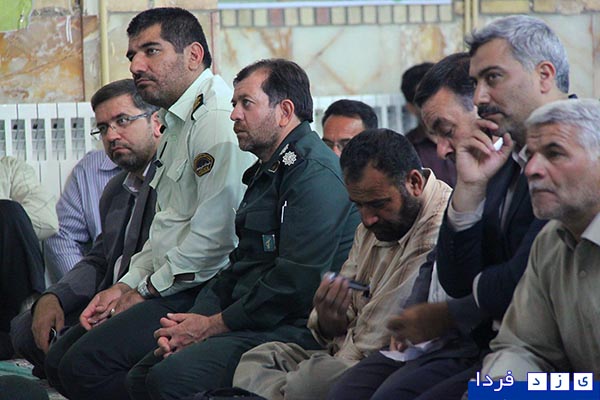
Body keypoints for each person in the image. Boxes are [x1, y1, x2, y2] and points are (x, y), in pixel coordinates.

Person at [124, 58, 360, 400]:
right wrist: (191, 322)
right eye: (234, 104)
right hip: (253, 316)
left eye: (246, 103)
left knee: (169, 379)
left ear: (284, 111)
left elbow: (294, 283)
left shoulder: (313, 173)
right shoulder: (269, 169)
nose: (234, 114)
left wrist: (212, 325)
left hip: (294, 327)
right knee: (140, 375)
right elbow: (239, 265)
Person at [48, 7, 251, 399]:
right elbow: (164, 230)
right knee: (58, 360)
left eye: (151, 51)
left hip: (204, 287)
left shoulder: (215, 120)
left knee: (83, 367)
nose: (136, 65)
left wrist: (142, 291)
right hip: (171, 280)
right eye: (132, 55)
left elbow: (215, 240)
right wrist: (123, 285)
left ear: (193, 55)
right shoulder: (175, 122)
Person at [233, 128, 452, 400]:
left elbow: (376, 341)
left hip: (385, 365)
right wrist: (329, 320)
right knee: (259, 358)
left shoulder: (438, 228)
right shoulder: (374, 219)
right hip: (341, 353)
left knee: (308, 382)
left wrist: (323, 365)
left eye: (377, 204)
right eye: (358, 205)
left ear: (414, 182)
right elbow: (336, 316)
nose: (367, 219)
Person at [328, 52, 483, 400]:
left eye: (446, 132)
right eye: (433, 135)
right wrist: (417, 312)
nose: (440, 151)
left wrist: (445, 316)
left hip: (508, 353)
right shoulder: (475, 180)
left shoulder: (517, 184)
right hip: (448, 344)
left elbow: (512, 289)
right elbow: (439, 265)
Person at [10, 78, 161, 379]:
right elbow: (99, 258)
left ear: (156, 122)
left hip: (147, 299)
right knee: (25, 329)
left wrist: (127, 294)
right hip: (106, 297)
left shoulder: (171, 182)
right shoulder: (115, 189)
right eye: (103, 128)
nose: (112, 135)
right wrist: (55, 296)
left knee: (72, 359)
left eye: (122, 121)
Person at [481, 98, 600, 380]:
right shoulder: (550, 241)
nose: (531, 169)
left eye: (554, 153)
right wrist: (501, 389)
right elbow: (524, 347)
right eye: (530, 155)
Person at [0, 156, 58, 359]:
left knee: (10, 213)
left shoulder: (9, 167)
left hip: (7, 294)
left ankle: (24, 325)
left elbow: (48, 221)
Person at [44, 149, 120, 283]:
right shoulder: (88, 169)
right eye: (103, 131)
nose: (111, 138)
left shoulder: (160, 173)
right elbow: (63, 236)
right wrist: (81, 286)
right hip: (103, 285)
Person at [401, 62, 456, 187]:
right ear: (410, 107)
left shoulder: (473, 133)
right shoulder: (407, 150)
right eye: (424, 100)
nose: (436, 105)